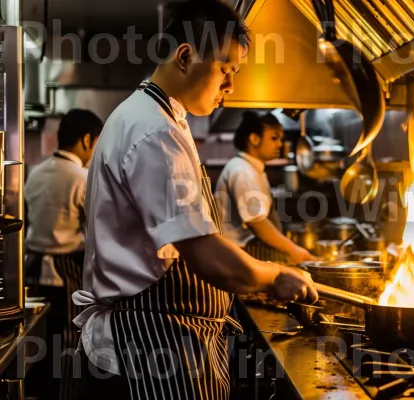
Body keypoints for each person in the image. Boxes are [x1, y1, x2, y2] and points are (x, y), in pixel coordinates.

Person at [71, 1, 318, 399]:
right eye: (226, 70)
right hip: (149, 346)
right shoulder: (154, 131)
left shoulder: (162, 118)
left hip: (167, 339)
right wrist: (274, 275)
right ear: (186, 56)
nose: (230, 86)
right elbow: (201, 251)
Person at [24, 108, 103, 400]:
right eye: (95, 143)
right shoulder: (82, 177)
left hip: (31, 269)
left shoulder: (36, 173)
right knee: (68, 347)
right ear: (86, 140)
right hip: (67, 270)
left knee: (38, 347)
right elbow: (98, 232)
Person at [215, 111, 316, 264]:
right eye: (274, 138)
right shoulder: (242, 171)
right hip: (238, 253)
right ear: (254, 139)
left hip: (246, 252)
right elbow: (256, 222)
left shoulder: (253, 168)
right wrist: (293, 250)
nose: (280, 144)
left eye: (280, 139)